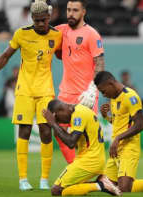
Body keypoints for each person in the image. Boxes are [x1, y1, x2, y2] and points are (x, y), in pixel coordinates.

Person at [0, 0, 62, 191]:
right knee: (24, 131)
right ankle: (23, 179)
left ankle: (44, 179)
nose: (40, 24)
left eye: (43, 20)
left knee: (46, 131)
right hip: (24, 89)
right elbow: (5, 56)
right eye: (37, 20)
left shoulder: (57, 35)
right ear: (32, 18)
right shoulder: (22, 34)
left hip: (45, 90)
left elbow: (62, 54)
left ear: (49, 17)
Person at [54, 0, 105, 164]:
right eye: (68, 10)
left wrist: (92, 88)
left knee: (86, 136)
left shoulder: (92, 34)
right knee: (59, 130)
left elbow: (100, 63)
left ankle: (92, 172)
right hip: (65, 93)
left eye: (75, 10)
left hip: (86, 94)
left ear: (83, 12)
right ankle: (75, 167)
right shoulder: (61, 30)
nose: (71, 13)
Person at [42, 100, 121, 196]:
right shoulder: (79, 111)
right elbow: (75, 144)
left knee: (56, 190)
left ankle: (101, 185)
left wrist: (53, 124)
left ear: (60, 110)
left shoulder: (78, 115)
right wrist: (58, 128)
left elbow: (71, 143)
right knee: (69, 188)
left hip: (89, 162)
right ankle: (101, 182)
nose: (60, 122)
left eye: (58, 119)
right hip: (94, 159)